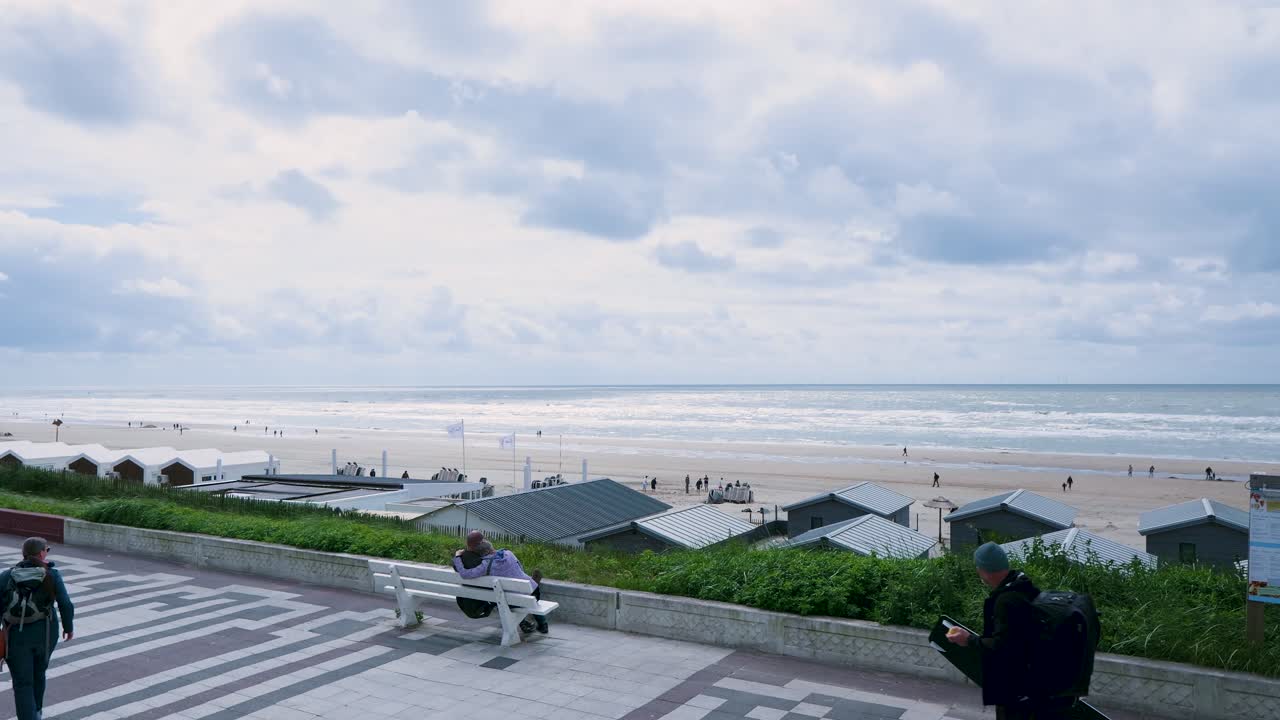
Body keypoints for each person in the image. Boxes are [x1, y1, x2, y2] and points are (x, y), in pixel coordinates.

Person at [946, 542, 1071, 719]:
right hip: (1035, 682)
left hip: (1016, 688)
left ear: (984, 570)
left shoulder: (1006, 601)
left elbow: (1003, 647)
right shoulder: (1023, 585)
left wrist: (968, 640)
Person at [2, 537, 74, 720]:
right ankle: (37, 713)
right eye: (47, 550)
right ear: (42, 553)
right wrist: (68, 627)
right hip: (45, 634)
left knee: (22, 683)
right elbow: (65, 604)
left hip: (14, 636)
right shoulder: (51, 574)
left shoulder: (6, 575)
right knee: (39, 673)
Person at [453, 541, 547, 635]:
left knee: (501, 597)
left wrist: (457, 557)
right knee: (532, 597)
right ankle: (543, 624)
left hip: (508, 601)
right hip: (529, 594)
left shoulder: (485, 566)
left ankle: (523, 623)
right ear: (491, 548)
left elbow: (465, 574)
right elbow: (520, 569)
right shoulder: (508, 553)